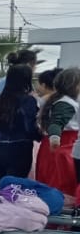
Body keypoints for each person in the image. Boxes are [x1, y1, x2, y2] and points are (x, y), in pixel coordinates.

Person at [0, 64, 41, 181]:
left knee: (2, 187)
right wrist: (40, 136)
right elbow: (29, 126)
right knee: (15, 186)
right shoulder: (28, 100)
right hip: (19, 148)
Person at [34, 67, 80, 200]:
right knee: (61, 186)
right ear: (74, 86)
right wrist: (55, 137)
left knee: (51, 184)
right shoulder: (65, 103)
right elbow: (57, 122)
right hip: (63, 146)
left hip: (53, 147)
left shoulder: (56, 99)